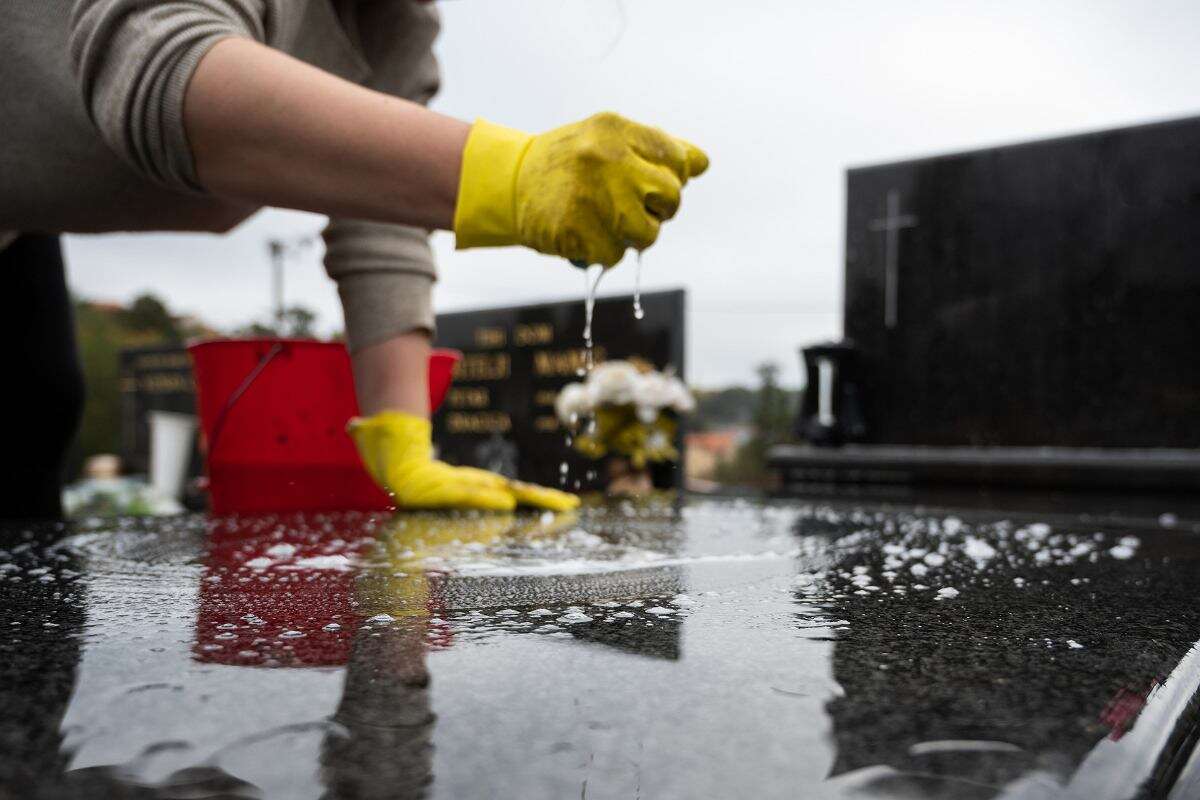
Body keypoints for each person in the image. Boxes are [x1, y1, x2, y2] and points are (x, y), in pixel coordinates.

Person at [0, 0, 708, 521]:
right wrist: (505, 175)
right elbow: (160, 69)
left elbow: (385, 210)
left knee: (33, 406)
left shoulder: (398, 23)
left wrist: (403, 440)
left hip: (21, 220)